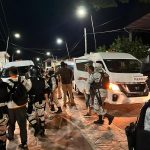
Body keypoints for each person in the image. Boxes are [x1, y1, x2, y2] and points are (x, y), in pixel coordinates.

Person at [6, 67, 31, 149]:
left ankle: (10, 136)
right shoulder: (22, 79)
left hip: (11, 107)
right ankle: (24, 143)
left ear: (10, 73)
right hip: (22, 106)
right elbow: (28, 88)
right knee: (22, 125)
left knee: (11, 123)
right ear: (17, 72)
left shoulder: (6, 82)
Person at [26, 66, 49, 137]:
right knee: (41, 116)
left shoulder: (29, 81)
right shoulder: (43, 80)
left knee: (28, 115)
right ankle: (42, 131)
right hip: (41, 101)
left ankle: (37, 128)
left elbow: (25, 91)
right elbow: (47, 89)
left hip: (32, 101)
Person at [0, 78, 10, 150]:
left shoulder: (6, 84)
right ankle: (3, 146)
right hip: (4, 109)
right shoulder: (6, 85)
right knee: (3, 130)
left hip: (3, 110)